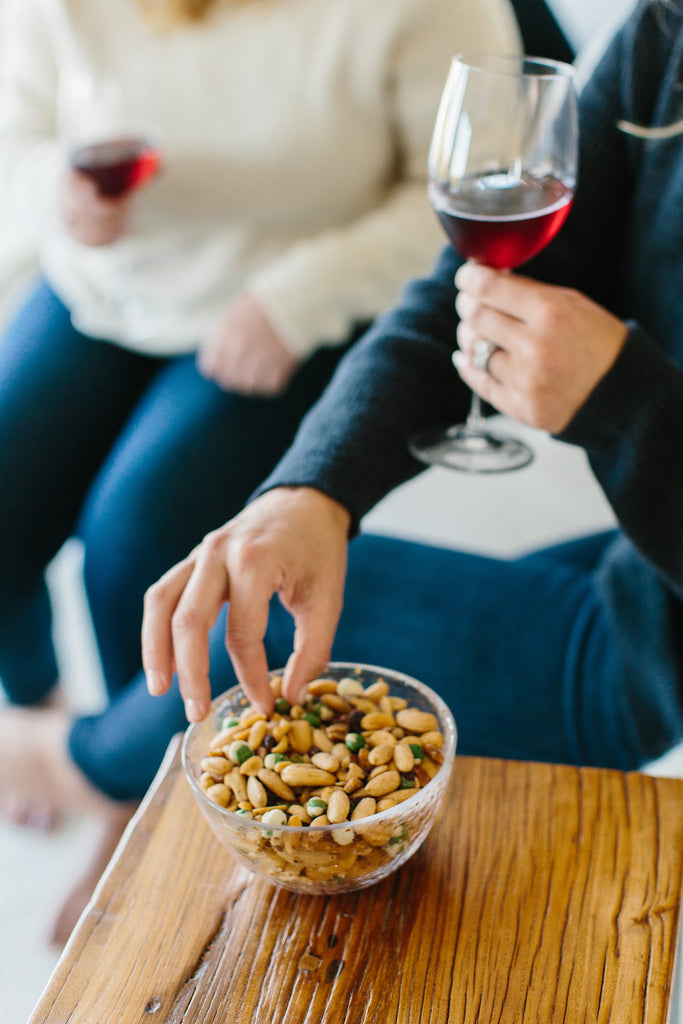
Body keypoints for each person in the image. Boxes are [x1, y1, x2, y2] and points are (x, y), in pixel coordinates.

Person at [0, 0, 523, 941]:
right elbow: (18, 129)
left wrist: (300, 297)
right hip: (107, 280)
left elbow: (463, 185)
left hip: (291, 299)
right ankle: (42, 708)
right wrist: (56, 195)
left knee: (139, 535)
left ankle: (128, 792)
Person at [141, 0, 683, 781]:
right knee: (243, 592)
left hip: (655, 654)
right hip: (644, 567)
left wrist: (625, 408)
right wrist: (311, 489)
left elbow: (624, 400)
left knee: (256, 660)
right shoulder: (662, 36)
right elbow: (464, 300)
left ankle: (70, 775)